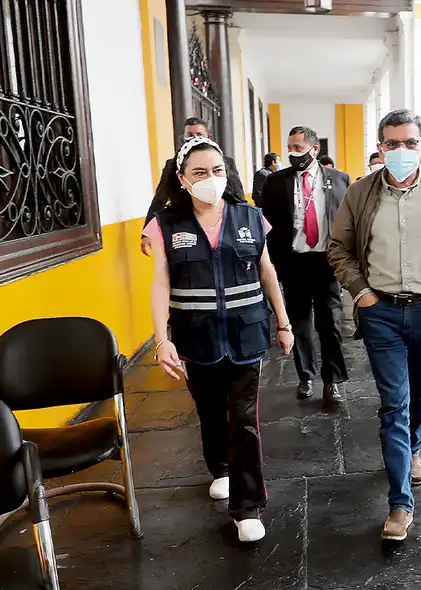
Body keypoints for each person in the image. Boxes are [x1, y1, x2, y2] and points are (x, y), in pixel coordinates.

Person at [328, 109, 421, 541]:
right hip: (381, 313)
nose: (401, 151)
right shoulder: (360, 193)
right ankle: (399, 505)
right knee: (394, 402)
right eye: (392, 144)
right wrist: (362, 293)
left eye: (410, 143)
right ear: (380, 148)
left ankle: (412, 449)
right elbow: (339, 248)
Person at [143, 136, 294, 543]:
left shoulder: (251, 217)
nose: (210, 179)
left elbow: (268, 273)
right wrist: (162, 340)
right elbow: (160, 283)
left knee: (244, 418)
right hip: (195, 337)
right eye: (199, 173)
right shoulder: (165, 225)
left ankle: (247, 508)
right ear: (182, 179)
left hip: (246, 334)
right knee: (210, 410)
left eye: (217, 171)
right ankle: (221, 469)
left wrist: (284, 322)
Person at [259, 126, 351, 406]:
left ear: (314, 150)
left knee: (331, 323)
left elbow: (346, 221)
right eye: (290, 147)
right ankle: (305, 375)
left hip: (326, 262)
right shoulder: (276, 182)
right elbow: (270, 225)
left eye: (298, 148)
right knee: (298, 321)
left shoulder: (339, 180)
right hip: (294, 261)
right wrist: (274, 263)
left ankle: (332, 380)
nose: (292, 153)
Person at [141, 117, 244, 256]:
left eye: (199, 135)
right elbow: (161, 197)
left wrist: (244, 220)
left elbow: (237, 193)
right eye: (190, 135)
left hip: (221, 219)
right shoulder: (172, 165)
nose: (194, 138)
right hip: (185, 223)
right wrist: (147, 232)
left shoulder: (226, 162)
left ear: (208, 137)